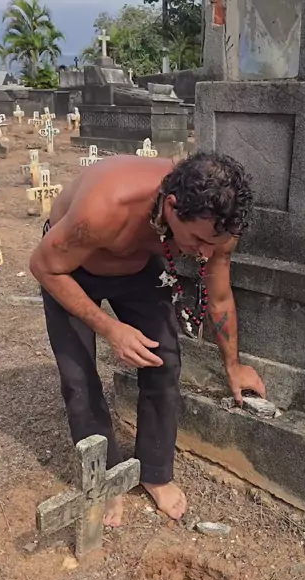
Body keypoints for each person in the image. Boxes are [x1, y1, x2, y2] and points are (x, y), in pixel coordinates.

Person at [29, 151, 265, 526]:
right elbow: (44, 266)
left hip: (138, 268)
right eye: (198, 240)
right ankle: (103, 478)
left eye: (213, 243)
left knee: (164, 359)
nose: (204, 254)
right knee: (79, 379)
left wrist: (233, 366)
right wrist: (110, 328)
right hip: (70, 270)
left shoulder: (219, 226)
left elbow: (219, 297)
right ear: (171, 207)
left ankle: (155, 471)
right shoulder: (105, 207)